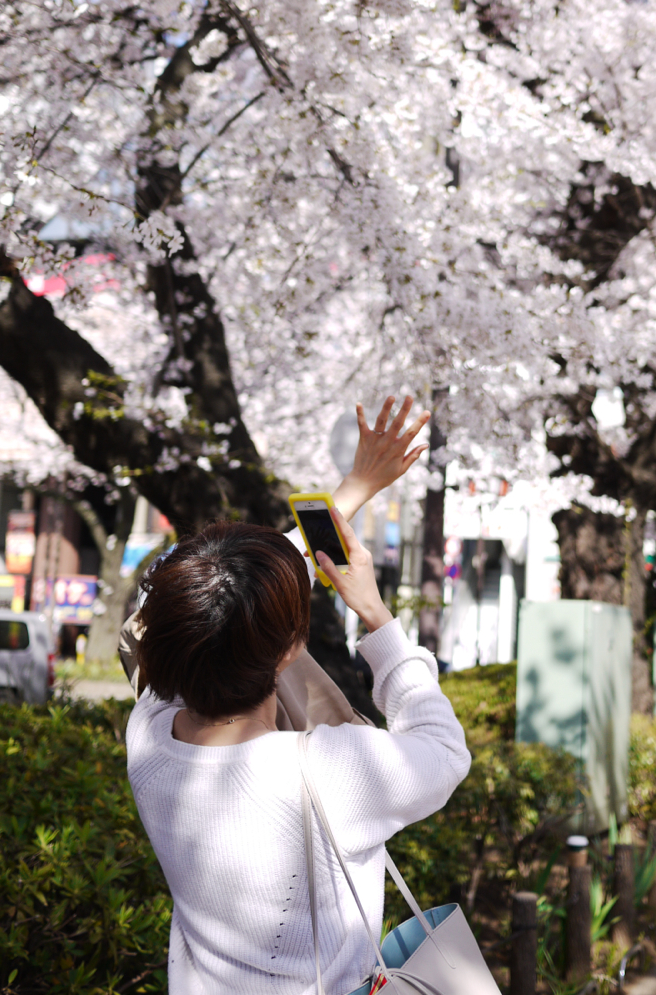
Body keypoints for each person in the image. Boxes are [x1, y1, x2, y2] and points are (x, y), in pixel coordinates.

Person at [123, 397, 471, 994]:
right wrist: (376, 615)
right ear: (290, 649)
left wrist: (354, 488)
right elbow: (444, 750)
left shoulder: (150, 737)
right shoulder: (331, 770)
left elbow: (210, 610)